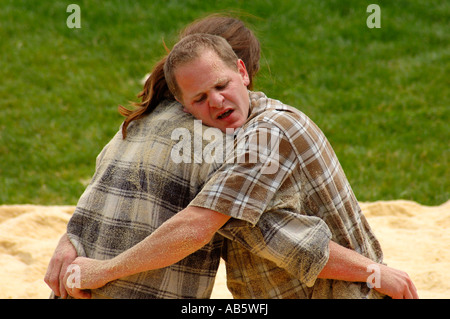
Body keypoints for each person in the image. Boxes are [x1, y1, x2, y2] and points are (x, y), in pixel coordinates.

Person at [59, 33, 418, 299]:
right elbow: (285, 238)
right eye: (200, 98)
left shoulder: (268, 134)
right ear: (185, 108)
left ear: (243, 73)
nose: (216, 101)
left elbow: (196, 227)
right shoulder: (224, 143)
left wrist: (102, 272)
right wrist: (69, 240)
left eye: (222, 85)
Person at [45, 14, 262, 299]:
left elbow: (97, 195)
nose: (218, 100)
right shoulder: (221, 145)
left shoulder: (139, 121)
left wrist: (68, 239)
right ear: (243, 71)